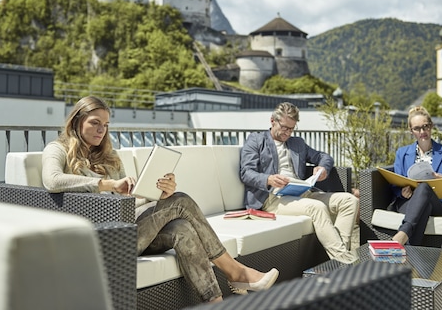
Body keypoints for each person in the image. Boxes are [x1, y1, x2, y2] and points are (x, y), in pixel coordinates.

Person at [42, 96, 278, 304]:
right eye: (95, 122)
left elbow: (128, 201)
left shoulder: (109, 157)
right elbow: (52, 180)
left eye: (105, 125)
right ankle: (235, 273)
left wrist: (160, 195)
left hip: (129, 230)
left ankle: (215, 302)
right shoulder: (58, 149)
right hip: (102, 239)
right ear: (77, 120)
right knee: (181, 200)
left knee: (182, 227)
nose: (101, 130)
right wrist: (107, 184)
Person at [240, 102, 359, 264]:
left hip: (302, 193)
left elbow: (324, 157)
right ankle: (345, 261)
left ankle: (340, 258)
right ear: (272, 121)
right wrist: (268, 179)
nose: (288, 133)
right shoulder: (256, 140)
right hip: (273, 198)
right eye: (284, 128)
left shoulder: (297, 144)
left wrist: (323, 168)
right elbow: (246, 173)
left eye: (291, 129)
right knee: (317, 208)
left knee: (349, 201)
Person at [389, 106, 442, 246]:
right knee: (423, 208)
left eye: (425, 126)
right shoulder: (402, 153)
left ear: (431, 126)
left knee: (424, 187)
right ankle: (410, 249)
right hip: (408, 201)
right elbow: (395, 183)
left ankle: (402, 234)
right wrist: (402, 192)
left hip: (438, 202)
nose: (422, 132)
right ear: (411, 131)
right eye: (417, 128)